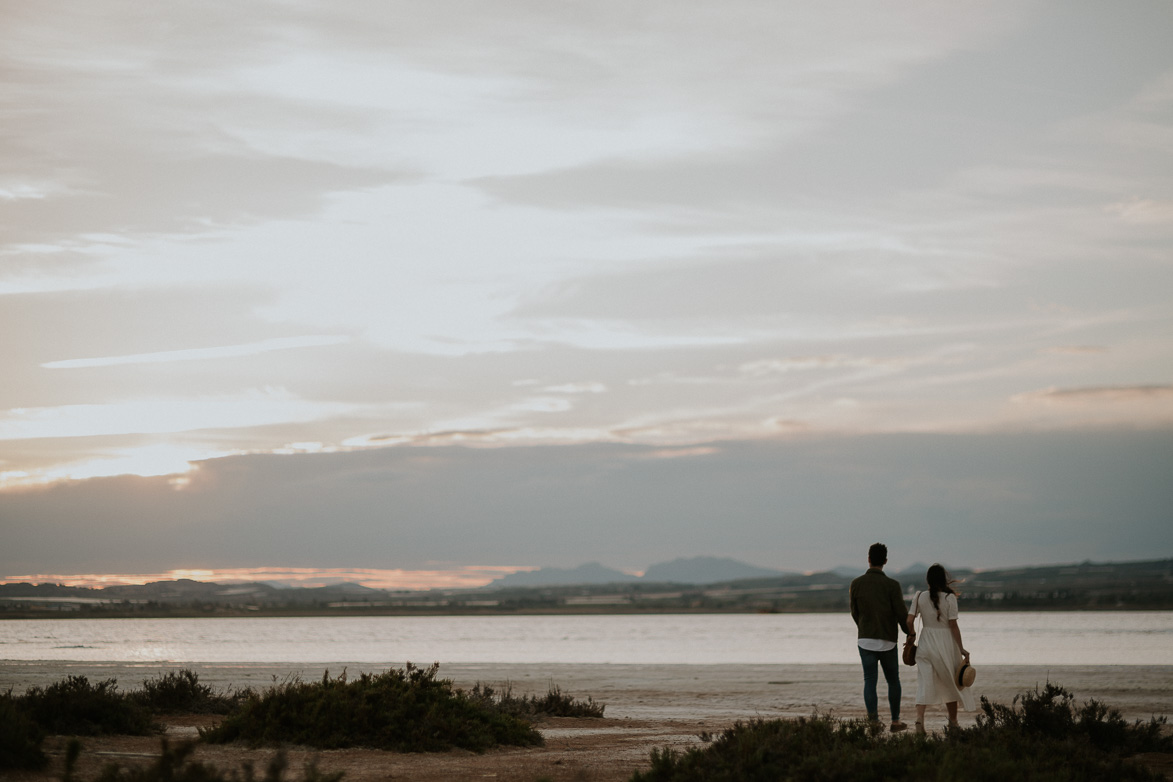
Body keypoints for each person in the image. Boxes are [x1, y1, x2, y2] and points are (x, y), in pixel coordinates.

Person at [906, 563, 976, 732]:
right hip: (945, 643)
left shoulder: (919, 596)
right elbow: (953, 626)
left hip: (925, 643)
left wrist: (912, 635)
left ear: (928, 580)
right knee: (950, 683)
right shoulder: (949, 598)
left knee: (924, 682)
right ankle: (953, 722)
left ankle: (919, 720)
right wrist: (961, 648)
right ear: (944, 580)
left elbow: (909, 620)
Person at [849, 542, 911, 732]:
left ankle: (873, 722)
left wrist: (864, 627)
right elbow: (901, 613)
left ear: (868, 559)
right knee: (893, 681)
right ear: (885, 561)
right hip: (888, 640)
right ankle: (895, 721)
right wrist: (910, 633)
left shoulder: (856, 584)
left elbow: (854, 612)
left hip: (865, 639)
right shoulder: (892, 585)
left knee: (869, 680)